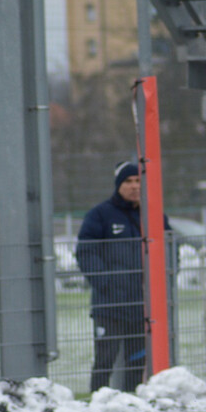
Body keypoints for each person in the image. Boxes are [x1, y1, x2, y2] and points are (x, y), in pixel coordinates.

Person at [75, 160, 171, 393]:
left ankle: (132, 400)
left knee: (137, 360)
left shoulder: (155, 215)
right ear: (118, 184)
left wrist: (164, 282)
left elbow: (170, 249)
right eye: (128, 181)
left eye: (138, 181)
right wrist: (105, 283)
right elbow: (85, 251)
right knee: (105, 359)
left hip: (142, 304)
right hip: (109, 306)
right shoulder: (100, 215)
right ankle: (97, 400)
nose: (134, 186)